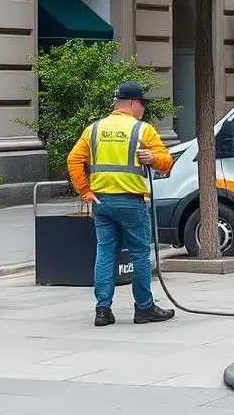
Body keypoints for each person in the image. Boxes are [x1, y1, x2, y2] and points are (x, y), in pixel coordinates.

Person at [67, 81, 176, 326]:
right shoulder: (143, 130)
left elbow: (73, 159)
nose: (143, 109)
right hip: (131, 203)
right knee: (139, 254)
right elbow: (166, 162)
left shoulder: (94, 129)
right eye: (142, 104)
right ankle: (144, 308)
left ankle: (103, 311)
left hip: (102, 203)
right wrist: (153, 158)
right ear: (131, 104)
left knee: (105, 252)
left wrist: (85, 190)